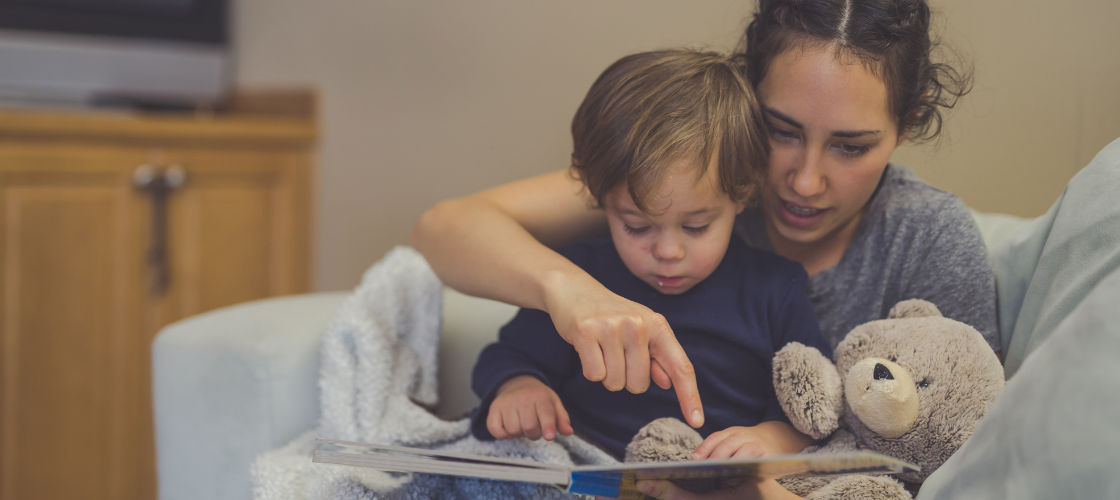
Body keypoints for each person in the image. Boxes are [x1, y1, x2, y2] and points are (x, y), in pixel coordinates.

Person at [412, 0, 998, 481]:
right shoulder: (680, 177)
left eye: (850, 146)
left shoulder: (928, 242)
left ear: (910, 118)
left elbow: (964, 455)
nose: (804, 180)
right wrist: (570, 295)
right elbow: (444, 228)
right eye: (780, 131)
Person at [469, 49, 833, 460]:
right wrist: (519, 387)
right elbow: (508, 355)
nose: (667, 251)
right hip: (587, 469)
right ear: (599, 200)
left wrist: (772, 439)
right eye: (636, 226)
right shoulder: (581, 276)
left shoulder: (774, 290)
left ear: (744, 194)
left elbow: (812, 403)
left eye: (696, 227)